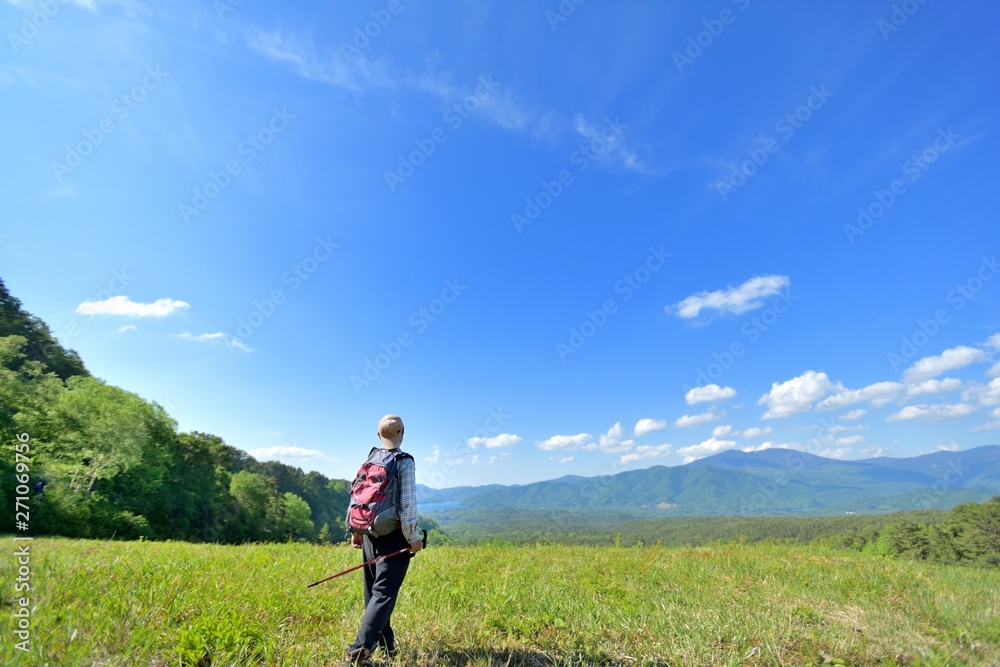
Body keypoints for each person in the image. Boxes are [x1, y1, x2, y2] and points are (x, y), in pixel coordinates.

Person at [346, 414, 422, 664]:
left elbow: (358, 497)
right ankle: (359, 650)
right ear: (402, 433)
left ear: (378, 435)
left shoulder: (370, 459)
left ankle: (388, 647)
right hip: (393, 536)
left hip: (369, 533)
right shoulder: (404, 462)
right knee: (383, 594)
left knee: (374, 593)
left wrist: (357, 532)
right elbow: (407, 504)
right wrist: (413, 537)